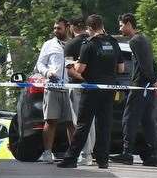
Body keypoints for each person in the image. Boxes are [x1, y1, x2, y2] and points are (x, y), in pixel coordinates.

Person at [57, 15, 123, 169]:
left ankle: (71, 158)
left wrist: (75, 63)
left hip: (92, 88)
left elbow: (80, 69)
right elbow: (121, 69)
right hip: (109, 90)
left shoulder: (89, 44)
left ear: (90, 28)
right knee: (104, 125)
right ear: (101, 25)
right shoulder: (114, 43)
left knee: (83, 125)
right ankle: (103, 160)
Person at [111, 13, 157, 166]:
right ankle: (153, 155)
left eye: (121, 25)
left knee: (129, 119)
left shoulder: (135, 41)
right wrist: (155, 79)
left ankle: (127, 153)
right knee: (147, 121)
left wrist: (154, 80)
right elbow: (153, 63)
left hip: (140, 86)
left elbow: (144, 64)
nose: (120, 28)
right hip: (146, 87)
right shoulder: (144, 38)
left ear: (128, 24)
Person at [33, 17, 75, 163]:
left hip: (71, 88)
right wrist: (47, 73)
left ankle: (74, 153)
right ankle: (47, 152)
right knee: (50, 121)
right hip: (52, 87)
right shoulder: (48, 44)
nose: (56, 31)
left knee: (72, 122)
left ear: (67, 28)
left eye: (59, 28)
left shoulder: (74, 43)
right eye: (55, 28)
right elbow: (40, 64)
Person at [65, 18, 96, 166]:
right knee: (92, 122)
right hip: (94, 87)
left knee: (79, 122)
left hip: (78, 87)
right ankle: (90, 153)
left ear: (72, 27)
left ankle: (85, 155)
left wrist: (83, 79)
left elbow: (70, 70)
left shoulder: (70, 45)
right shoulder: (94, 42)